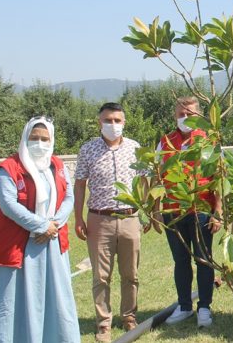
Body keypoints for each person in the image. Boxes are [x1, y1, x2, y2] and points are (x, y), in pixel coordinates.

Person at [0, 116, 81, 342]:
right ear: (25, 138)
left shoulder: (57, 166)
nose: (39, 143)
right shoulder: (8, 169)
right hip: (17, 247)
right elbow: (9, 205)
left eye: (44, 139)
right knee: (11, 301)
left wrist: (53, 225)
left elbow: (69, 196)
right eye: (34, 138)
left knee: (56, 298)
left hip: (51, 243)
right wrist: (41, 226)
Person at [74, 102, 142, 342]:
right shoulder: (88, 150)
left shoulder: (135, 148)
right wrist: (78, 217)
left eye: (117, 121)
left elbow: (144, 182)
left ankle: (129, 317)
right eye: (108, 120)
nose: (113, 125)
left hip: (129, 217)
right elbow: (80, 184)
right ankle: (103, 323)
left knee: (130, 273)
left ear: (124, 122)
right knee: (101, 276)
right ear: (99, 122)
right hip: (98, 219)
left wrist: (147, 211)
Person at [156, 96, 221, 328]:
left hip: (202, 210)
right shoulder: (164, 142)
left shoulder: (209, 141)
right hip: (173, 211)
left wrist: (218, 212)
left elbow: (218, 179)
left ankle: (204, 307)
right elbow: (157, 178)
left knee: (204, 260)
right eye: (181, 114)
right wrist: (155, 210)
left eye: (190, 114)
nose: (185, 118)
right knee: (180, 260)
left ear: (199, 116)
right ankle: (184, 306)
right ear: (175, 116)